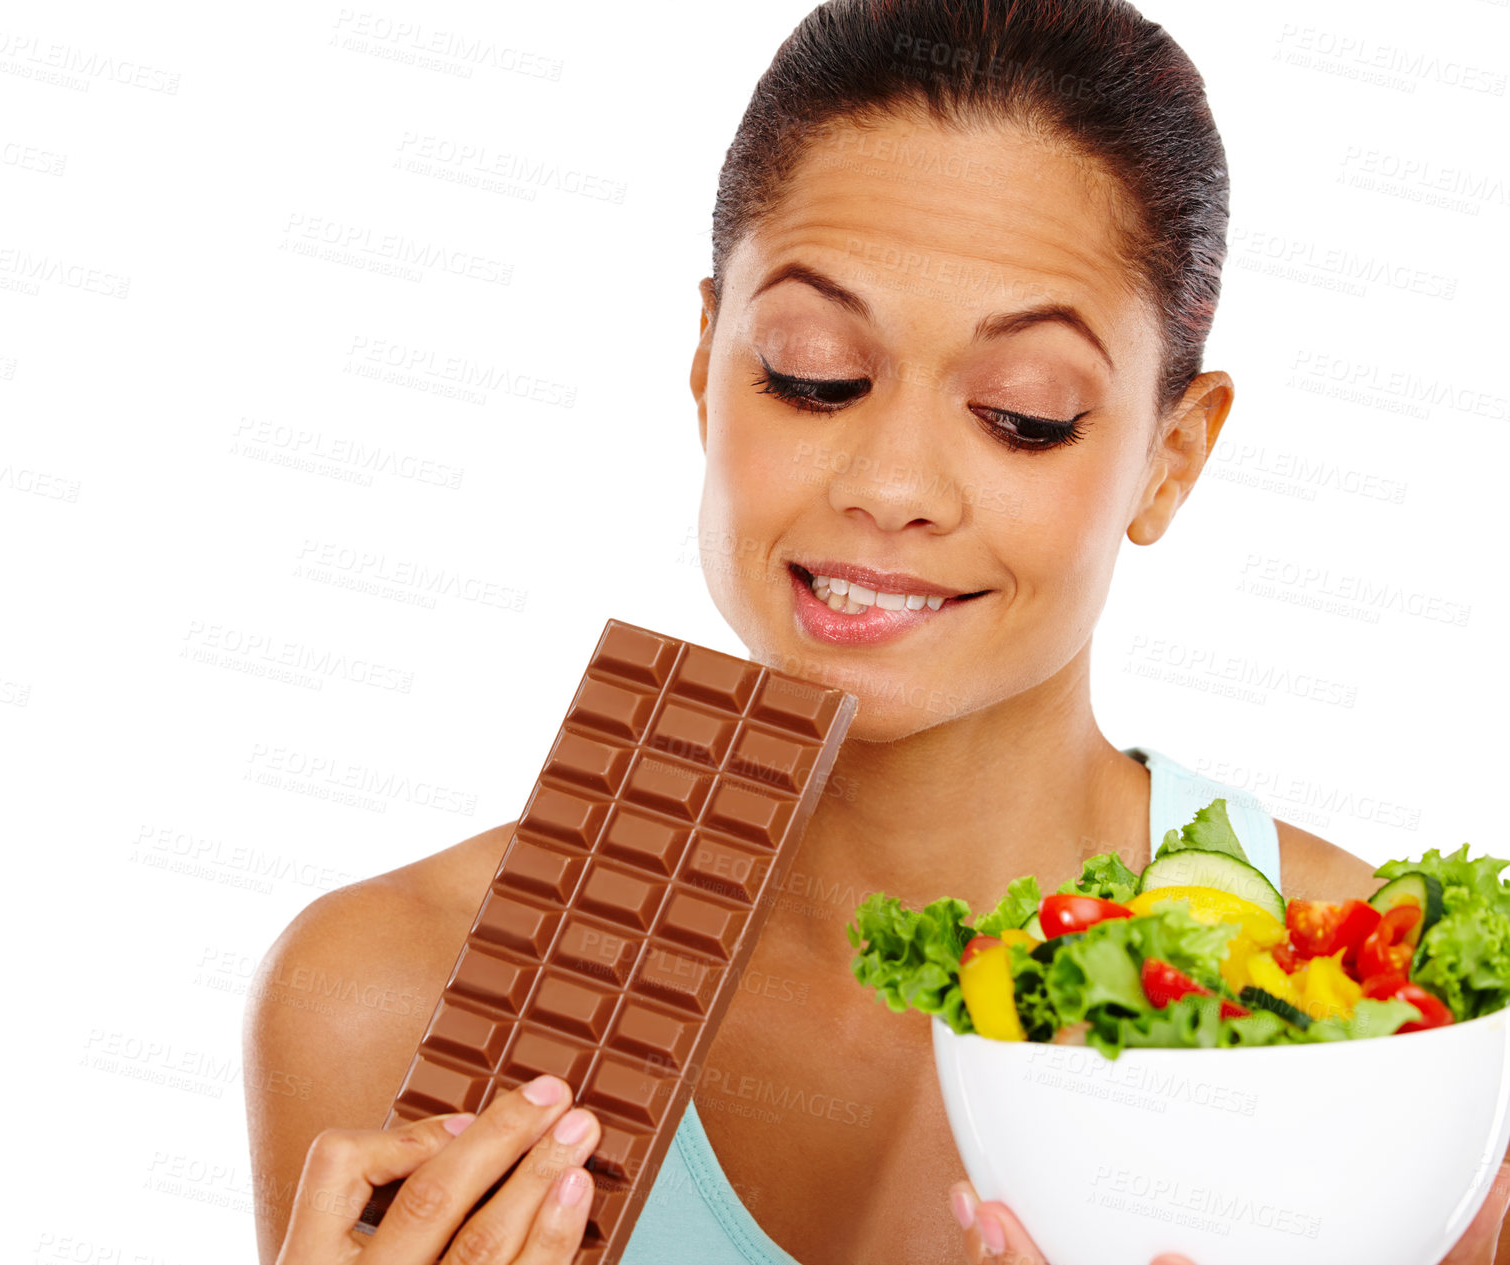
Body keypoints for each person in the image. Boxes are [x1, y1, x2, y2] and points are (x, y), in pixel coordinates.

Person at [243, 1, 1510, 1261]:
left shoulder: (1410, 1034)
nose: (891, 481)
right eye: (813, 372)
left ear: (1171, 459)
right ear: (705, 364)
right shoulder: (384, 997)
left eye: (1023, 411)